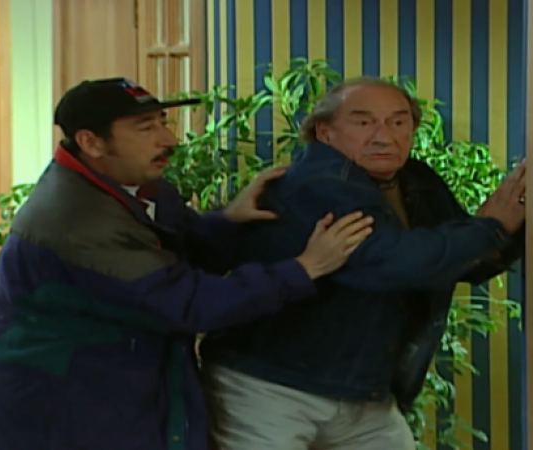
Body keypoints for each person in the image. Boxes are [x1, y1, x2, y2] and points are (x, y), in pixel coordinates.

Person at [0, 78, 374, 450]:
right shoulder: (77, 219)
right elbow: (188, 303)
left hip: (113, 404)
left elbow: (181, 251)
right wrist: (304, 269)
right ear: (92, 142)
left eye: (163, 122)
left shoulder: (138, 186)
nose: (168, 138)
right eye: (145, 128)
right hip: (58, 417)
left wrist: (229, 221)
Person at [200, 77, 526, 450]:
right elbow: (392, 263)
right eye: (363, 122)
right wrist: (491, 229)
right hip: (269, 386)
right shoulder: (318, 181)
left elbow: (464, 261)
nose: (384, 136)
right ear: (324, 132)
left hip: (362, 392)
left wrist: (510, 222)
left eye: (398, 122)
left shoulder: (416, 180)